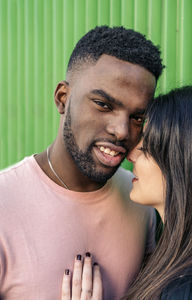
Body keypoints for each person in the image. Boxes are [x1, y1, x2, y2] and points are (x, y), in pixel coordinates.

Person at [0, 26, 163, 299]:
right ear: (63, 98)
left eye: (137, 117)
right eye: (103, 104)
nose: (122, 131)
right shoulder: (4, 202)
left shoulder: (140, 199)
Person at [62, 86, 192, 299]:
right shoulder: (175, 264)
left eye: (145, 148)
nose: (131, 155)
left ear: (180, 162)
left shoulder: (185, 290)